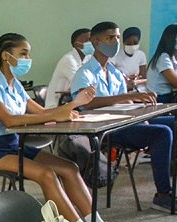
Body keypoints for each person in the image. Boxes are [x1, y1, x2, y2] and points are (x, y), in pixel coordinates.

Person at [0, 33, 136, 222]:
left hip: (15, 146)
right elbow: (9, 120)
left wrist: (73, 104)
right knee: (47, 174)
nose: (28, 58)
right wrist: (56, 114)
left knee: (69, 168)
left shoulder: (16, 85)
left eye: (28, 53)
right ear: (6, 56)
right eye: (23, 53)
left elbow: (42, 112)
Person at [71, 21, 174, 212]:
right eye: (110, 38)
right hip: (106, 130)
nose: (115, 42)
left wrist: (140, 106)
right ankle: (162, 195)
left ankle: (171, 182)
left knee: (173, 122)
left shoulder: (113, 72)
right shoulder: (84, 73)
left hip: (124, 121)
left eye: (117, 37)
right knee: (162, 132)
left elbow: (123, 103)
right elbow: (85, 103)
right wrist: (129, 96)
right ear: (95, 42)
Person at [45, 28, 92, 108]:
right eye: (89, 41)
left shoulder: (88, 58)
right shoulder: (68, 60)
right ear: (77, 45)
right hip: (58, 105)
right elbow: (81, 82)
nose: (93, 43)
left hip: (73, 103)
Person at [146, 23, 177, 103]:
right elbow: (175, 82)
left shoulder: (172, 58)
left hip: (167, 97)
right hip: (159, 99)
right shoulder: (163, 57)